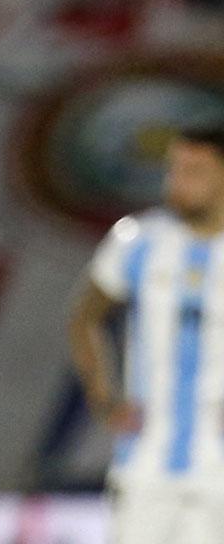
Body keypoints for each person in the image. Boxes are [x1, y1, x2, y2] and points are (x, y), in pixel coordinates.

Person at [70, 124, 224, 544]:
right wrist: (105, 398)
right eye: (174, 169)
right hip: (145, 464)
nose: (176, 182)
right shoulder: (138, 238)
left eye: (193, 171)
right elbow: (85, 319)